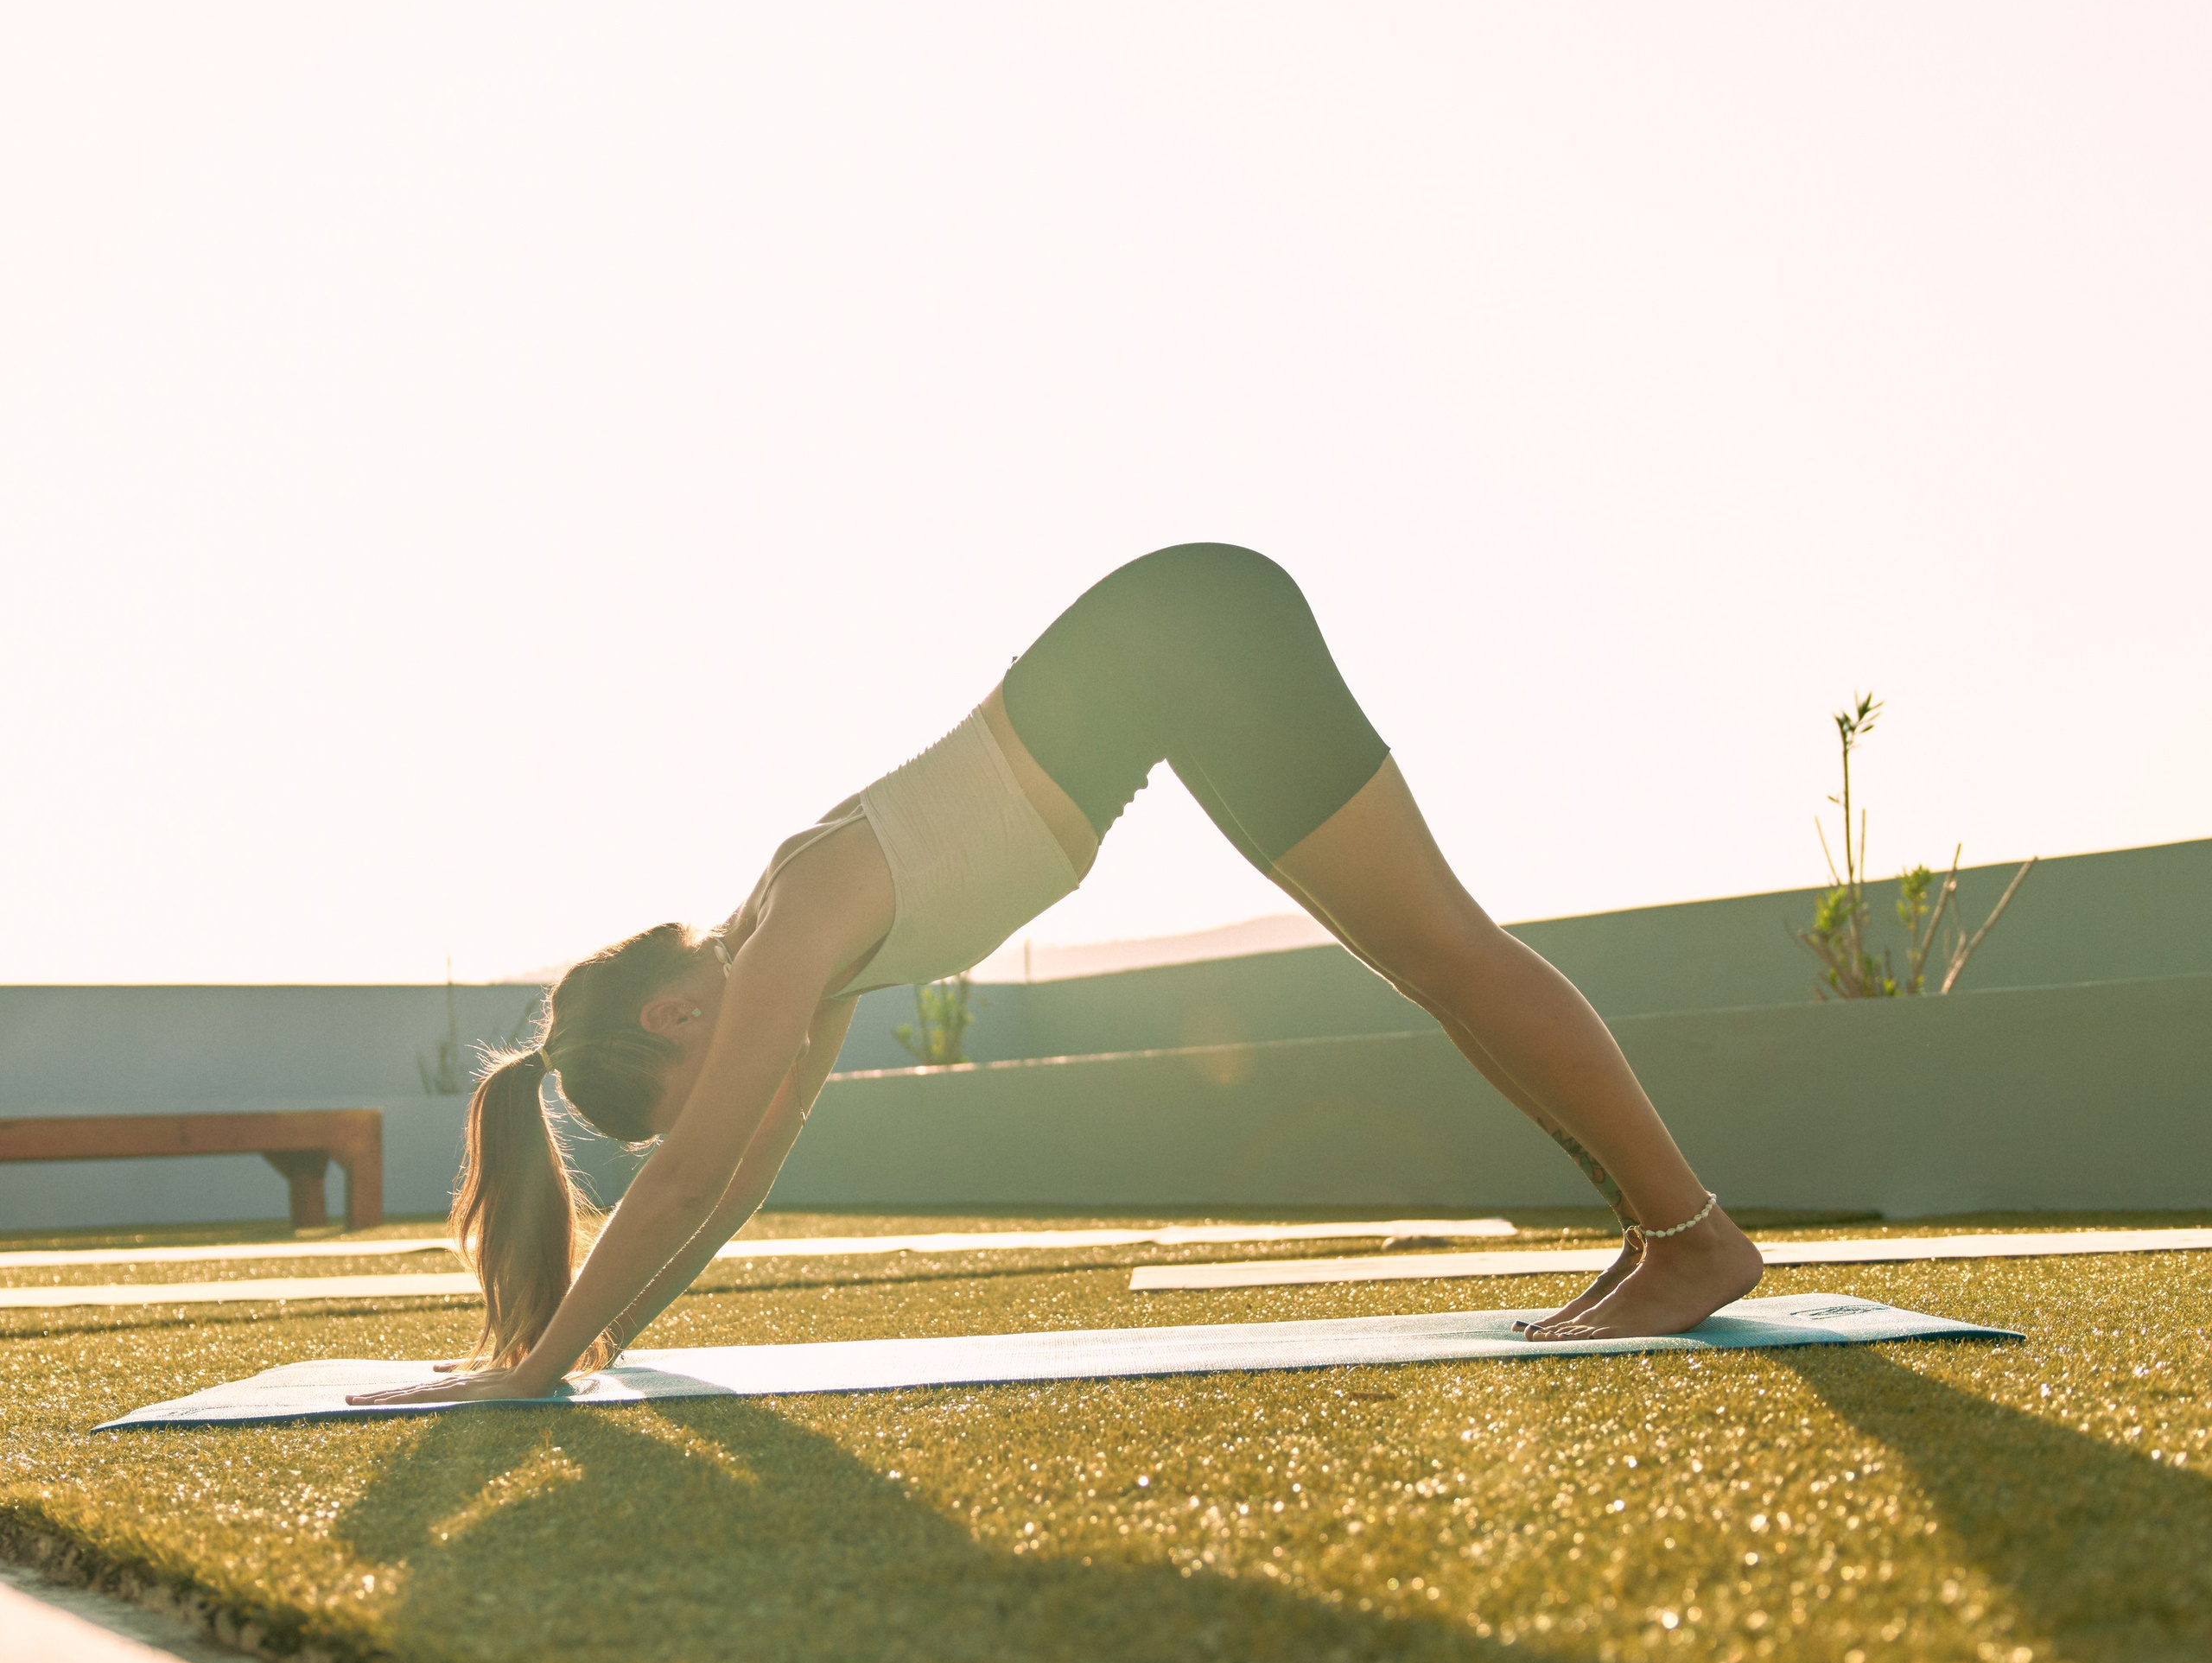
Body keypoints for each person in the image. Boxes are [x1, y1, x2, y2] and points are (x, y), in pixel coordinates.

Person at [349, 545, 1759, 1408]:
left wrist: (532, 1370)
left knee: (1444, 947)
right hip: (1187, 646)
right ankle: (1663, 1236)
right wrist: (611, 1344)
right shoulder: (801, 940)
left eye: (680, 1081)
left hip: (1189, 635)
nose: (714, 1089)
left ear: (674, 1015)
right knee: (1432, 965)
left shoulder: (787, 933)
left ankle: (1690, 1234)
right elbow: (752, 1159)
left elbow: (691, 1173)